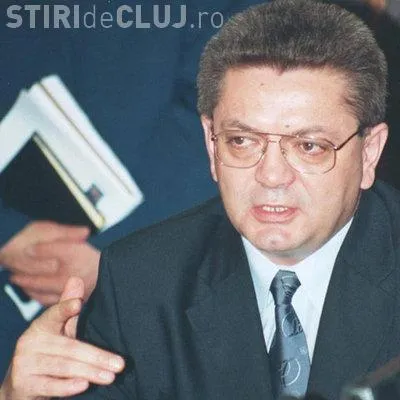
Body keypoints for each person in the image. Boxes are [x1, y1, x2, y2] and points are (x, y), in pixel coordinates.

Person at [1, 0, 399, 398]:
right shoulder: (139, 285)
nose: (271, 176)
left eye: (310, 146)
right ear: (211, 145)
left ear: (369, 154)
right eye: (242, 141)